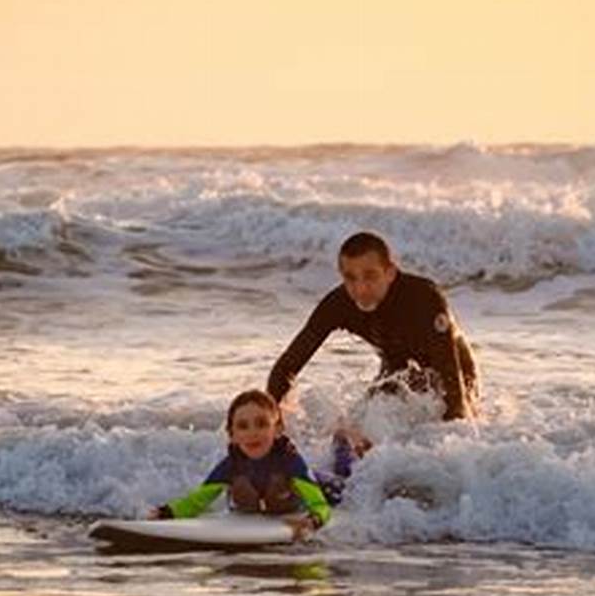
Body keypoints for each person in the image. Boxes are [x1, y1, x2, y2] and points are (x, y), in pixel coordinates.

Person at [267, 231, 479, 421]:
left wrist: (453, 441)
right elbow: (288, 366)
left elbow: (451, 377)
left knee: (447, 421)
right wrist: (270, 421)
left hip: (454, 372)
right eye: (350, 278)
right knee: (362, 420)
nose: (360, 289)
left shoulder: (423, 298)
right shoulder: (339, 304)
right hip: (397, 371)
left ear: (390, 273)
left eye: (370, 276)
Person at [148, 389, 331, 539]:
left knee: (341, 478)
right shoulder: (231, 466)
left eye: (261, 423)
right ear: (232, 435)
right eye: (243, 426)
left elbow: (320, 505)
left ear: (277, 429)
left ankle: (343, 444)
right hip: (265, 509)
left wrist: (313, 521)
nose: (253, 433)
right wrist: (167, 513)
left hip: (324, 488)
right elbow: (198, 500)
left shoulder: (289, 461)